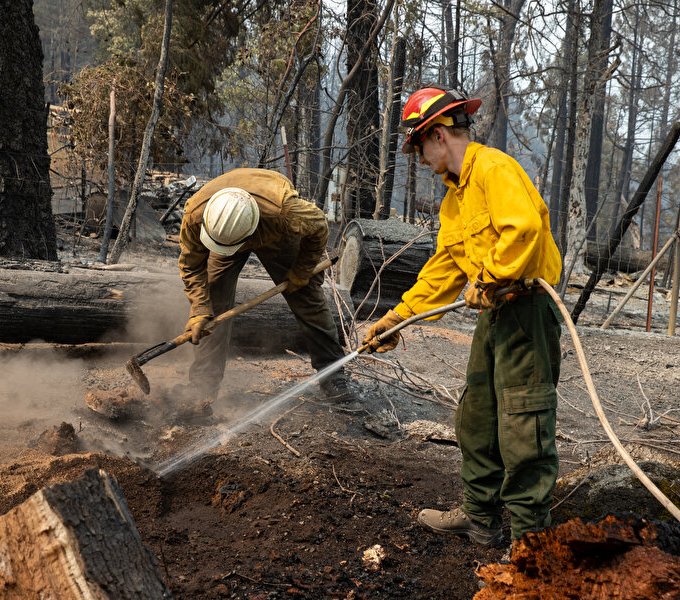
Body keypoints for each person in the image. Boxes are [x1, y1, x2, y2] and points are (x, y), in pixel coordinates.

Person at [363, 87, 563, 547]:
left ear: (436, 135)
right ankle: (480, 518)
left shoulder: (494, 169)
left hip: (527, 310)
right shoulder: (455, 199)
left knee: (523, 420)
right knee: (477, 415)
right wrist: (398, 317)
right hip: (493, 315)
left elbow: (525, 229)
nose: (418, 158)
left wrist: (491, 276)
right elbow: (446, 269)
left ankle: (531, 539)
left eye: (418, 147)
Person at [176, 168, 353, 419]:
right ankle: (201, 387)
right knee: (212, 308)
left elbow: (319, 227)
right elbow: (191, 265)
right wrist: (199, 309)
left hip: (271, 229)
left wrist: (301, 271)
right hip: (226, 231)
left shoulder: (285, 213)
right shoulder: (196, 216)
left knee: (307, 297)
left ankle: (333, 376)